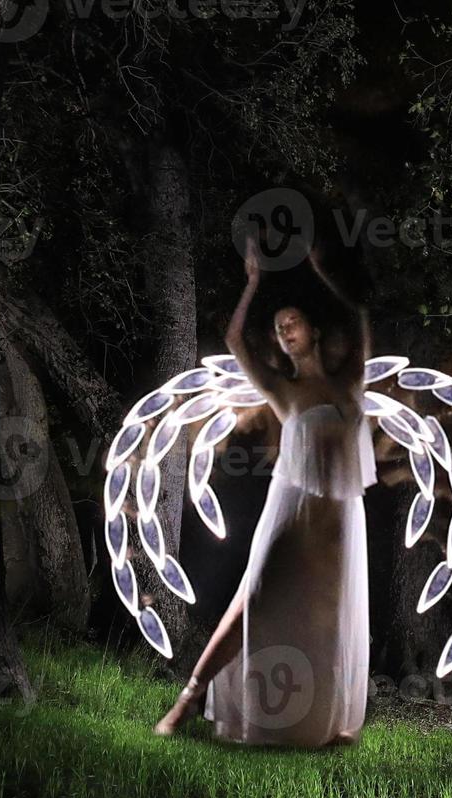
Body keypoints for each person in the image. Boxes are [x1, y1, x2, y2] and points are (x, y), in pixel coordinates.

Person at [153, 235, 375, 746]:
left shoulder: (349, 385)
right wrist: (252, 283)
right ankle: (186, 701)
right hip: (293, 509)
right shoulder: (285, 391)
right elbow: (234, 340)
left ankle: (313, 719)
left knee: (327, 613)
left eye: (292, 323)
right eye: (279, 330)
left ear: (314, 331)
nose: (285, 332)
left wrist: (324, 270)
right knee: (252, 599)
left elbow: (359, 314)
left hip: (341, 517)